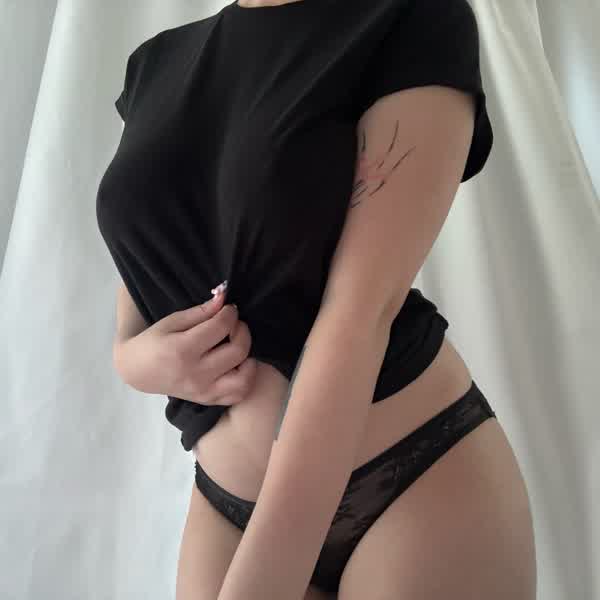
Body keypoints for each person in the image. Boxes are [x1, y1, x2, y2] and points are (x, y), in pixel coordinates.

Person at [99, 1, 537, 598]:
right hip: (226, 503)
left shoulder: (409, 17)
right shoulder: (155, 62)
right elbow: (151, 251)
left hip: (409, 483)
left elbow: (361, 313)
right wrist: (131, 359)